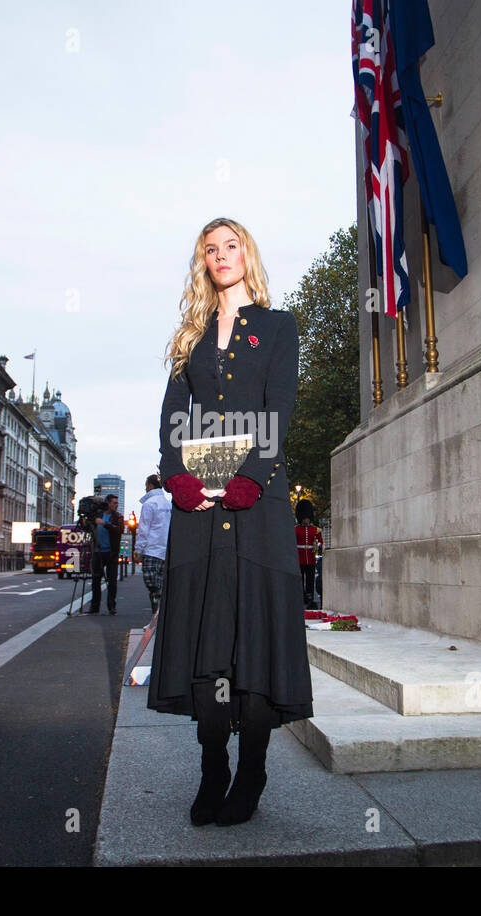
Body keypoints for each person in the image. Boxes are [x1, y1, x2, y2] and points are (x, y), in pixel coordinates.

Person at [148, 217, 313, 828]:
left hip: (257, 501)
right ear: (203, 262)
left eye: (230, 245)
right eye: (210, 250)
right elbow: (171, 416)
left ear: (248, 252)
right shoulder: (189, 335)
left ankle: (251, 771)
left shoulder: (277, 326)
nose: (221, 256)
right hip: (200, 506)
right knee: (208, 637)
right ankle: (212, 766)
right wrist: (175, 477)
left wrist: (256, 475)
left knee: (255, 637)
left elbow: (281, 403)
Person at [135, 473, 172, 613]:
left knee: (153, 587)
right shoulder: (167, 504)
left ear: (149, 485)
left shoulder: (149, 504)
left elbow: (144, 529)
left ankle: (155, 618)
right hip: (165, 550)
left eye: (146, 485)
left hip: (151, 550)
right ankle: (160, 618)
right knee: (162, 587)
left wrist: (139, 550)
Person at [87, 494, 123, 614]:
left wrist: (104, 524)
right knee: (96, 580)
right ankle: (94, 606)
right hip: (98, 551)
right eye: (113, 503)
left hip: (111, 552)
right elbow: (87, 527)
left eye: (117, 503)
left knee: (112, 581)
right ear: (108, 503)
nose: (116, 505)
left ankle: (112, 606)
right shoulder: (98, 514)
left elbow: (119, 531)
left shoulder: (118, 517)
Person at [294, 499, 323, 609]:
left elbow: (320, 542)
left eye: (307, 518)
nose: (306, 520)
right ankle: (300, 596)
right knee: (300, 578)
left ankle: (310, 597)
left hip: (310, 558)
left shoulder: (315, 530)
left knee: (310, 579)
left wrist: (319, 545)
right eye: (304, 518)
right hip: (299, 558)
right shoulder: (295, 530)